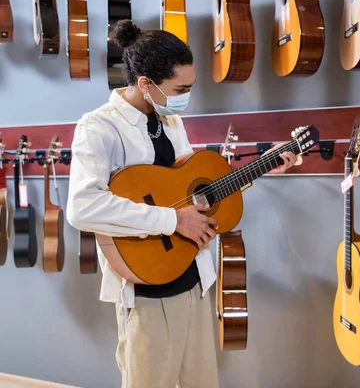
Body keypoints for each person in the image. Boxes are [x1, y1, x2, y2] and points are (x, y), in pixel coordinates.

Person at [65, 20, 297, 388]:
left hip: (193, 275)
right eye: (180, 88)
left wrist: (261, 168)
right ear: (145, 83)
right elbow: (82, 207)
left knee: (201, 382)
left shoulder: (171, 122)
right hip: (145, 287)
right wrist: (171, 221)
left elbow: (199, 196)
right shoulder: (98, 127)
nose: (186, 95)